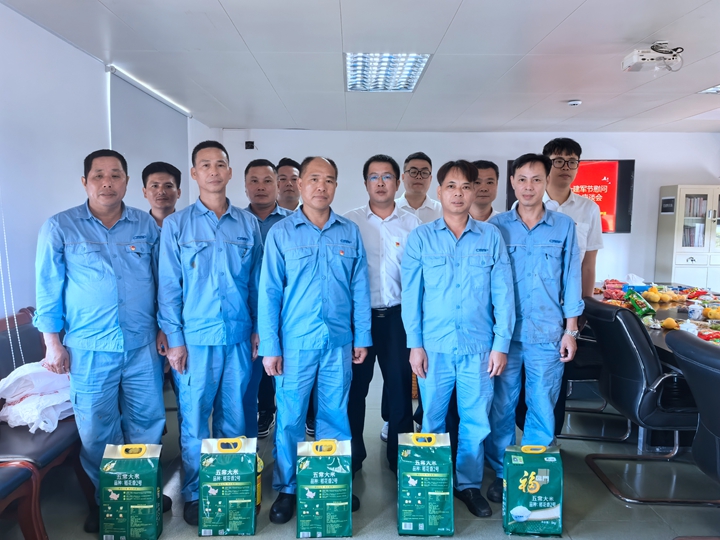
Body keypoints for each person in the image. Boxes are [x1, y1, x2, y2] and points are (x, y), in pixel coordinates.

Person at [34, 149, 169, 532]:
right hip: (89, 348)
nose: (107, 183)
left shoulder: (145, 225)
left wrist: (165, 327)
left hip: (142, 345)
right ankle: (106, 499)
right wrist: (52, 342)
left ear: (126, 181)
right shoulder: (61, 227)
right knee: (97, 429)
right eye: (98, 175)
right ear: (85, 182)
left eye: (115, 175)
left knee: (147, 423)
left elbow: (163, 282)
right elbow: (48, 288)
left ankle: (143, 492)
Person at [259, 156, 372, 524]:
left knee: (335, 415)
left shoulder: (349, 232)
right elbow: (269, 292)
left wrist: (362, 336)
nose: (321, 186)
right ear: (299, 184)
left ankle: (331, 482)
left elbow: (360, 288)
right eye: (314, 179)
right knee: (291, 418)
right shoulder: (281, 233)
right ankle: (289, 488)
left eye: (329, 180)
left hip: (338, 341)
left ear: (336, 186)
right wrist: (271, 347)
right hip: (295, 343)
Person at [401, 160, 515, 518]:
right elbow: (411, 296)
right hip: (434, 348)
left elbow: (504, 296)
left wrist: (500, 345)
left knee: (475, 421)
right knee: (432, 420)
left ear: (474, 191)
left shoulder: (490, 237)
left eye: (466, 186)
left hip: (479, 349)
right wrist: (415, 345)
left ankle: (467, 485)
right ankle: (432, 484)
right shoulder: (421, 237)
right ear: (440, 192)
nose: (459, 193)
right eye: (451, 186)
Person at [158, 140, 263, 526]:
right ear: (194, 173)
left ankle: (229, 488)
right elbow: (169, 287)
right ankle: (195, 493)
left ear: (230, 172)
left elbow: (256, 284)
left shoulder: (248, 224)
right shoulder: (177, 225)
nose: (214, 171)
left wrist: (258, 329)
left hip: (238, 337)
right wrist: (175, 341)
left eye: (220, 164)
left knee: (234, 421)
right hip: (195, 341)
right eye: (205, 165)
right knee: (195, 421)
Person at [485, 153, 583, 505]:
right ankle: (502, 472)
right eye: (522, 179)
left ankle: (533, 471)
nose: (529, 187)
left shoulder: (564, 227)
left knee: (542, 404)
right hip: (505, 336)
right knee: (502, 406)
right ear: (512, 182)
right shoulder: (496, 227)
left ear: (546, 182)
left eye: (536, 179)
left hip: (547, 333)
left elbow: (571, 278)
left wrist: (571, 330)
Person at [343, 155, 420, 493]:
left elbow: (418, 277)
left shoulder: (412, 224)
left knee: (400, 391)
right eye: (373, 177)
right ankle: (352, 457)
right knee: (354, 391)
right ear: (365, 184)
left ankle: (398, 458)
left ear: (397, 182)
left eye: (387, 176)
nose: (380, 182)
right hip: (359, 319)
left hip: (399, 319)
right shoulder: (350, 223)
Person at [243, 158, 291, 439]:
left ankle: (286, 445)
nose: (260, 187)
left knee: (289, 388)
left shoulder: (293, 223)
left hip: (287, 318)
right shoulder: (236, 222)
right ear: (245, 185)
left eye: (267, 181)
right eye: (254, 181)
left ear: (278, 185)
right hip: (247, 318)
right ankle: (249, 447)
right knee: (246, 388)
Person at [395, 151, 442, 224]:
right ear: (403, 177)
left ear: (430, 179)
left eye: (424, 173)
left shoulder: (441, 211)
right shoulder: (390, 210)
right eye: (413, 172)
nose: (419, 177)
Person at [142, 161, 182, 228]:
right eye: (155, 186)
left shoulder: (189, 225)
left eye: (168, 186)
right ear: (145, 192)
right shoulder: (137, 227)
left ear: (178, 192)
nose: (161, 192)